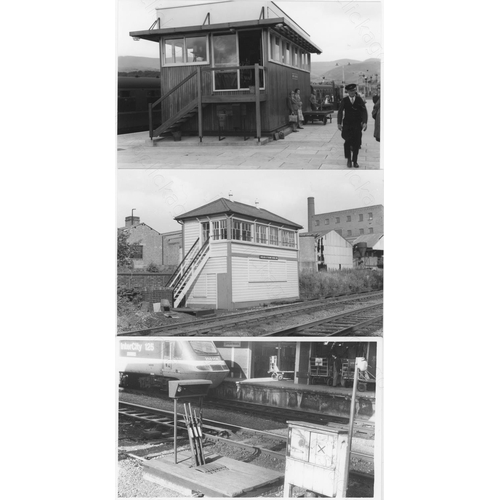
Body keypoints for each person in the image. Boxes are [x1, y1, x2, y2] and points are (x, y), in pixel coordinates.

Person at [337, 83, 368, 168]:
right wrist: (339, 123)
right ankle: (349, 160)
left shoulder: (359, 100)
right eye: (350, 91)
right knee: (347, 142)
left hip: (357, 125)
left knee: (356, 143)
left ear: (355, 91)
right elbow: (340, 112)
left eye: (354, 91)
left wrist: (365, 122)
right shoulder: (344, 100)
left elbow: (364, 111)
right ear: (348, 92)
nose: (352, 92)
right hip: (347, 125)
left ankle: (355, 161)